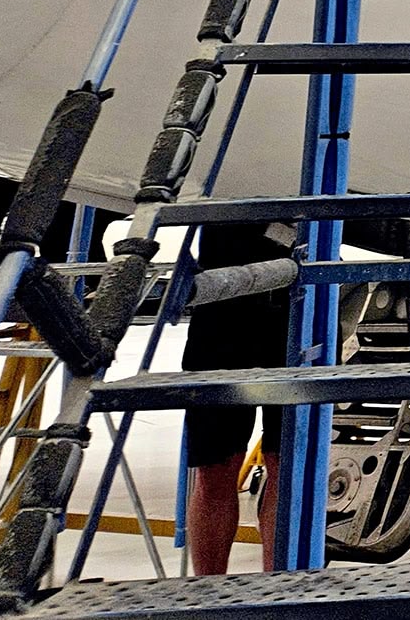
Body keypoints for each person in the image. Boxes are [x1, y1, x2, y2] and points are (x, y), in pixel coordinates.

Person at [181, 221, 292, 573]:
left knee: (287, 467)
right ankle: (208, 598)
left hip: (296, 307)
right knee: (215, 469)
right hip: (222, 310)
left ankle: (279, 597)